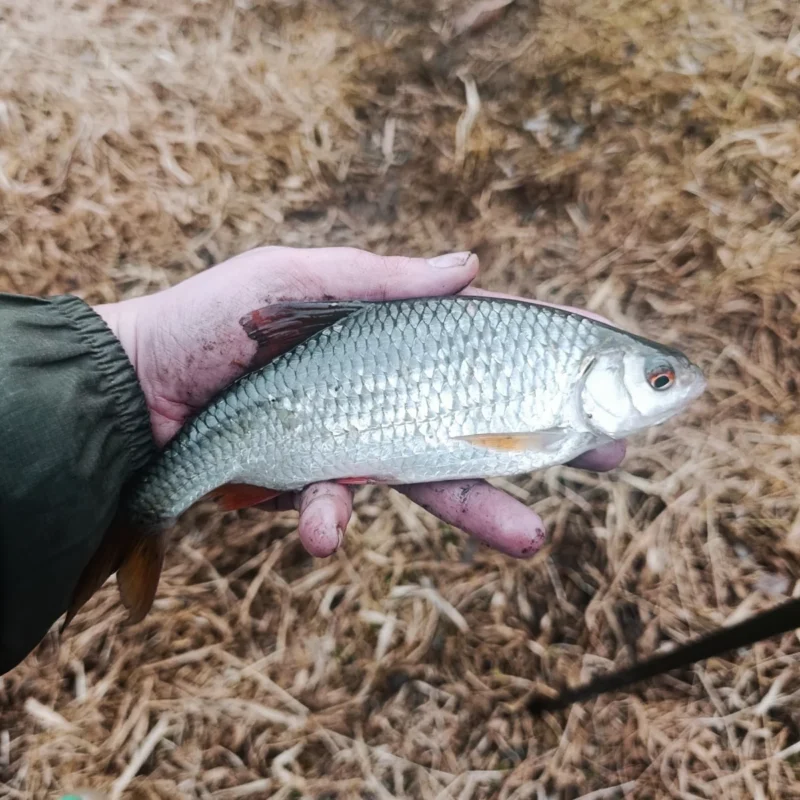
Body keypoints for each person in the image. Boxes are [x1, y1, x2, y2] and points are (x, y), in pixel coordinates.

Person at [0, 246, 625, 675]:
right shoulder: (554, 420)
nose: (668, 391)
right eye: (657, 380)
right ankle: (144, 518)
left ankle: (141, 516)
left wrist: (119, 367)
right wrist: (138, 363)